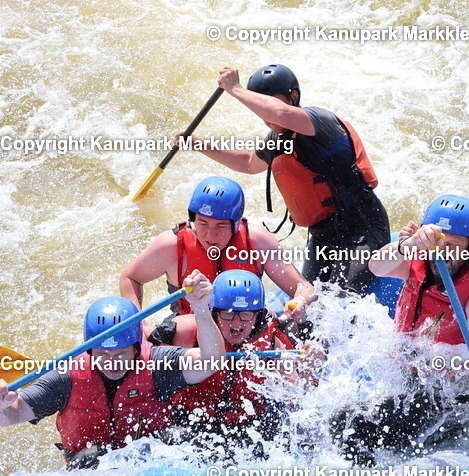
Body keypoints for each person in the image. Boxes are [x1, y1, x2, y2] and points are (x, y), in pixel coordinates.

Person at [332, 195, 469, 465]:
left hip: (453, 401)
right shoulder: (418, 259)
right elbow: (376, 266)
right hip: (413, 385)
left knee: (347, 423)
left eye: (456, 245)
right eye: (440, 241)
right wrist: (406, 245)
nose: (445, 252)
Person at [179, 64, 390, 294]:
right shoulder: (277, 139)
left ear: (294, 96)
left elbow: (278, 113)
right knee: (307, 301)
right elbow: (249, 163)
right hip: (322, 237)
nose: (264, 112)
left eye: (269, 101)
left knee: (343, 300)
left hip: (362, 227)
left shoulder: (319, 122)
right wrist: (200, 146)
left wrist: (236, 88)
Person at [0, 272, 225, 469]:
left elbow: (212, 361)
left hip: (150, 463)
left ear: (137, 348)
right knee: (91, 456)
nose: (112, 362)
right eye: (103, 355)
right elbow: (11, 415)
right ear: (89, 351)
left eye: (120, 354)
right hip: (90, 469)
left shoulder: (157, 363)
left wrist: (202, 310)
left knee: (185, 439)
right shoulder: (66, 376)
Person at [153, 270, 323, 444]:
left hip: (247, 429)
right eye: (228, 312)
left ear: (258, 316)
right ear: (214, 312)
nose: (236, 322)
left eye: (246, 314)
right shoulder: (186, 330)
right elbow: (140, 357)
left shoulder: (271, 342)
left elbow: (297, 401)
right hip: (189, 422)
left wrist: (310, 369)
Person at [121, 176, 314, 319]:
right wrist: (137, 323)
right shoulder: (171, 245)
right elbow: (130, 277)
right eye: (202, 223)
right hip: (192, 327)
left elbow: (304, 287)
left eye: (220, 226)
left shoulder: (257, 241)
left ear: (236, 224)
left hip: (244, 325)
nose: (210, 235)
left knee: (307, 320)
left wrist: (300, 302)